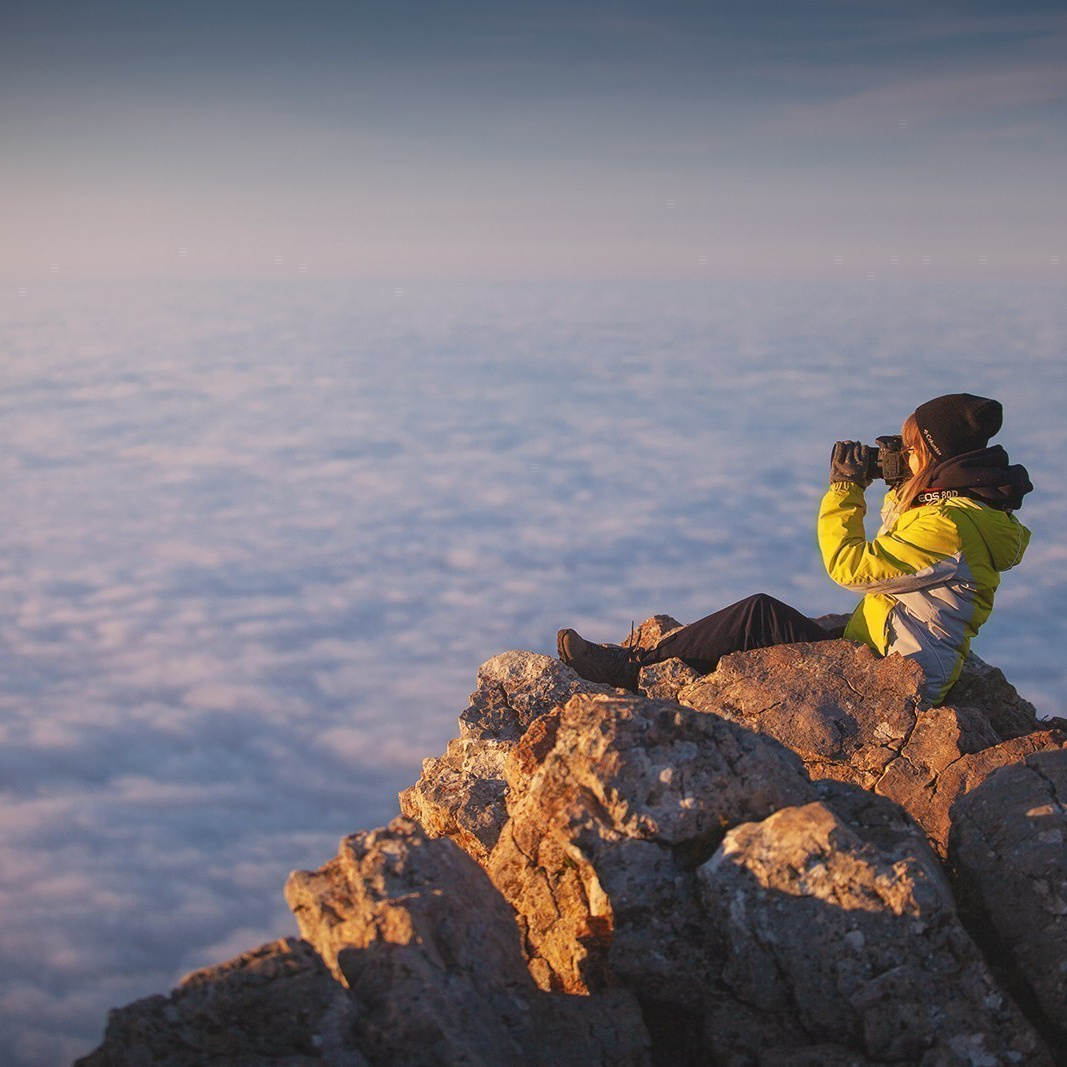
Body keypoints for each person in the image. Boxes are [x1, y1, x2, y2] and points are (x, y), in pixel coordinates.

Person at [557, 393, 1033, 706]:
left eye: (911, 449)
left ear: (933, 455)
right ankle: (649, 664)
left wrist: (845, 490)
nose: (904, 456)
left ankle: (630, 671)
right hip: (896, 657)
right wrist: (899, 484)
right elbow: (904, 552)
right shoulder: (964, 511)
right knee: (781, 620)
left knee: (756, 616)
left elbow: (851, 568)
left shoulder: (948, 525)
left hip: (896, 680)